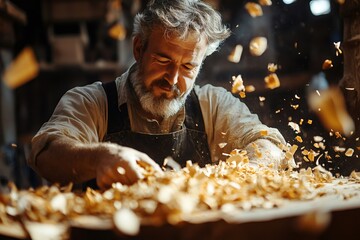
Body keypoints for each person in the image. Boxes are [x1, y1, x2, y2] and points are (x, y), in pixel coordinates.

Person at [28, 0, 290, 190]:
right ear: (139, 48)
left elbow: (269, 144)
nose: (173, 79)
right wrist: (101, 157)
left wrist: (250, 171)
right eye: (163, 60)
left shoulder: (213, 104)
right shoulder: (91, 103)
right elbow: (46, 153)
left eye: (188, 66)